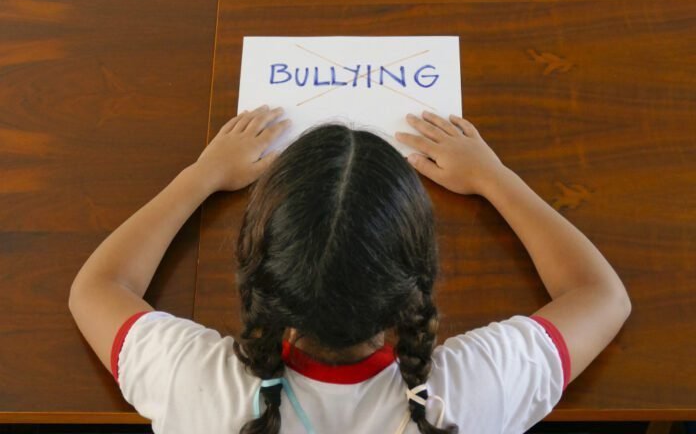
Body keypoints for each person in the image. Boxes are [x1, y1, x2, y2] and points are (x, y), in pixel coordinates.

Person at [69, 105, 631, 434]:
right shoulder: (469, 391)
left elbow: (97, 289)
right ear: (420, 279)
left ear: (256, 267)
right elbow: (600, 295)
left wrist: (203, 173)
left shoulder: (197, 384)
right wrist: (493, 175)